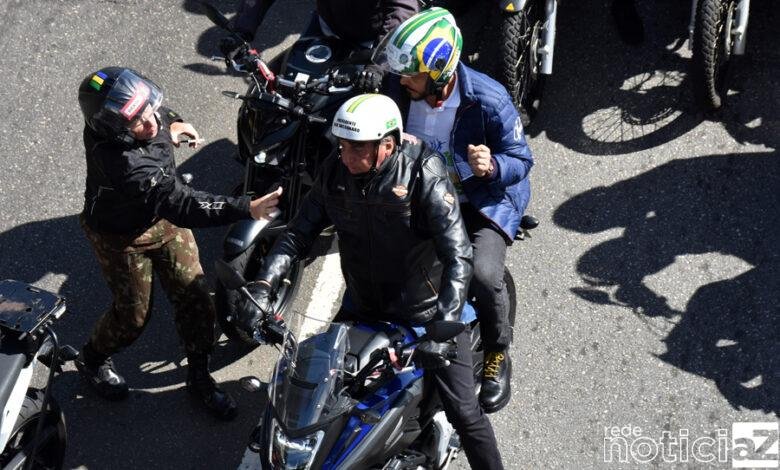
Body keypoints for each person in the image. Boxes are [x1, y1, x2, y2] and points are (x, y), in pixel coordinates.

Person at [240, 94, 504, 469]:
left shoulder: (422, 173)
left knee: (464, 411)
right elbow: (297, 235)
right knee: (311, 396)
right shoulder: (335, 171)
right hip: (361, 306)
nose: (346, 155)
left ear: (387, 145)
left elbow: (458, 255)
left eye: (356, 148)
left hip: (424, 314)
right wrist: (264, 285)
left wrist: (442, 330)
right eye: (343, 145)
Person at [75, 66, 282, 420]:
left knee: (197, 299)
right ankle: (91, 360)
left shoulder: (128, 123)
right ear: (114, 129)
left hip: (162, 218)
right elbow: (184, 204)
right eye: (137, 122)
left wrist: (173, 122)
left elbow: (153, 120)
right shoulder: (129, 166)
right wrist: (245, 208)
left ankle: (199, 376)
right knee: (132, 318)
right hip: (123, 238)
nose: (150, 122)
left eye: (149, 109)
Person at [372, 8, 534, 413]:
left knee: (482, 274)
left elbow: (522, 159)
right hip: (427, 195)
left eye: (412, 75)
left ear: (441, 72)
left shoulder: (488, 99)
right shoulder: (398, 89)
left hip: (483, 200)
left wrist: (492, 166)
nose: (403, 80)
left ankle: (498, 353)